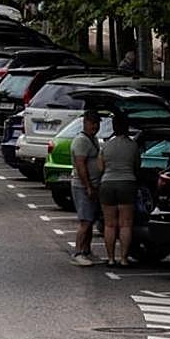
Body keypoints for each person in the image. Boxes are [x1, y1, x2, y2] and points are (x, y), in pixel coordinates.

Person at [98, 113, 139, 267]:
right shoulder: (133, 145)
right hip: (127, 183)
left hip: (107, 184)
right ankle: (124, 258)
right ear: (127, 127)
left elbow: (100, 167)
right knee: (125, 223)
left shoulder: (106, 145)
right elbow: (137, 166)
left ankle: (110, 258)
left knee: (109, 224)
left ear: (114, 127)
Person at [70, 110, 103, 266]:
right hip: (82, 186)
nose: (95, 127)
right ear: (85, 123)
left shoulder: (93, 139)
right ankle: (78, 252)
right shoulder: (81, 141)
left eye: (97, 123)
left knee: (90, 219)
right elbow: (80, 165)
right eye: (92, 123)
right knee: (85, 221)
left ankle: (87, 250)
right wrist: (88, 186)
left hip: (94, 185)